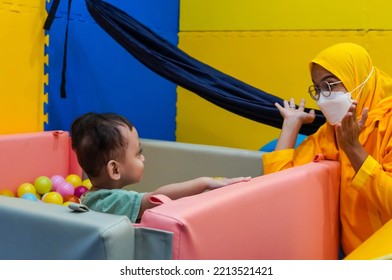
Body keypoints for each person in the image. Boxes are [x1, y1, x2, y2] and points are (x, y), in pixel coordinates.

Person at [262, 42, 392, 257]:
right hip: (354, 257)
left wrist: (353, 149)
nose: (323, 97)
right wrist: (291, 125)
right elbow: (276, 185)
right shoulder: (331, 131)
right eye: (318, 88)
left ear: (358, 79)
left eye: (330, 85)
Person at [71, 112, 251, 223]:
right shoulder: (110, 202)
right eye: (137, 153)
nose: (143, 158)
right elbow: (156, 198)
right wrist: (204, 182)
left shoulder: (91, 197)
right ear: (115, 170)